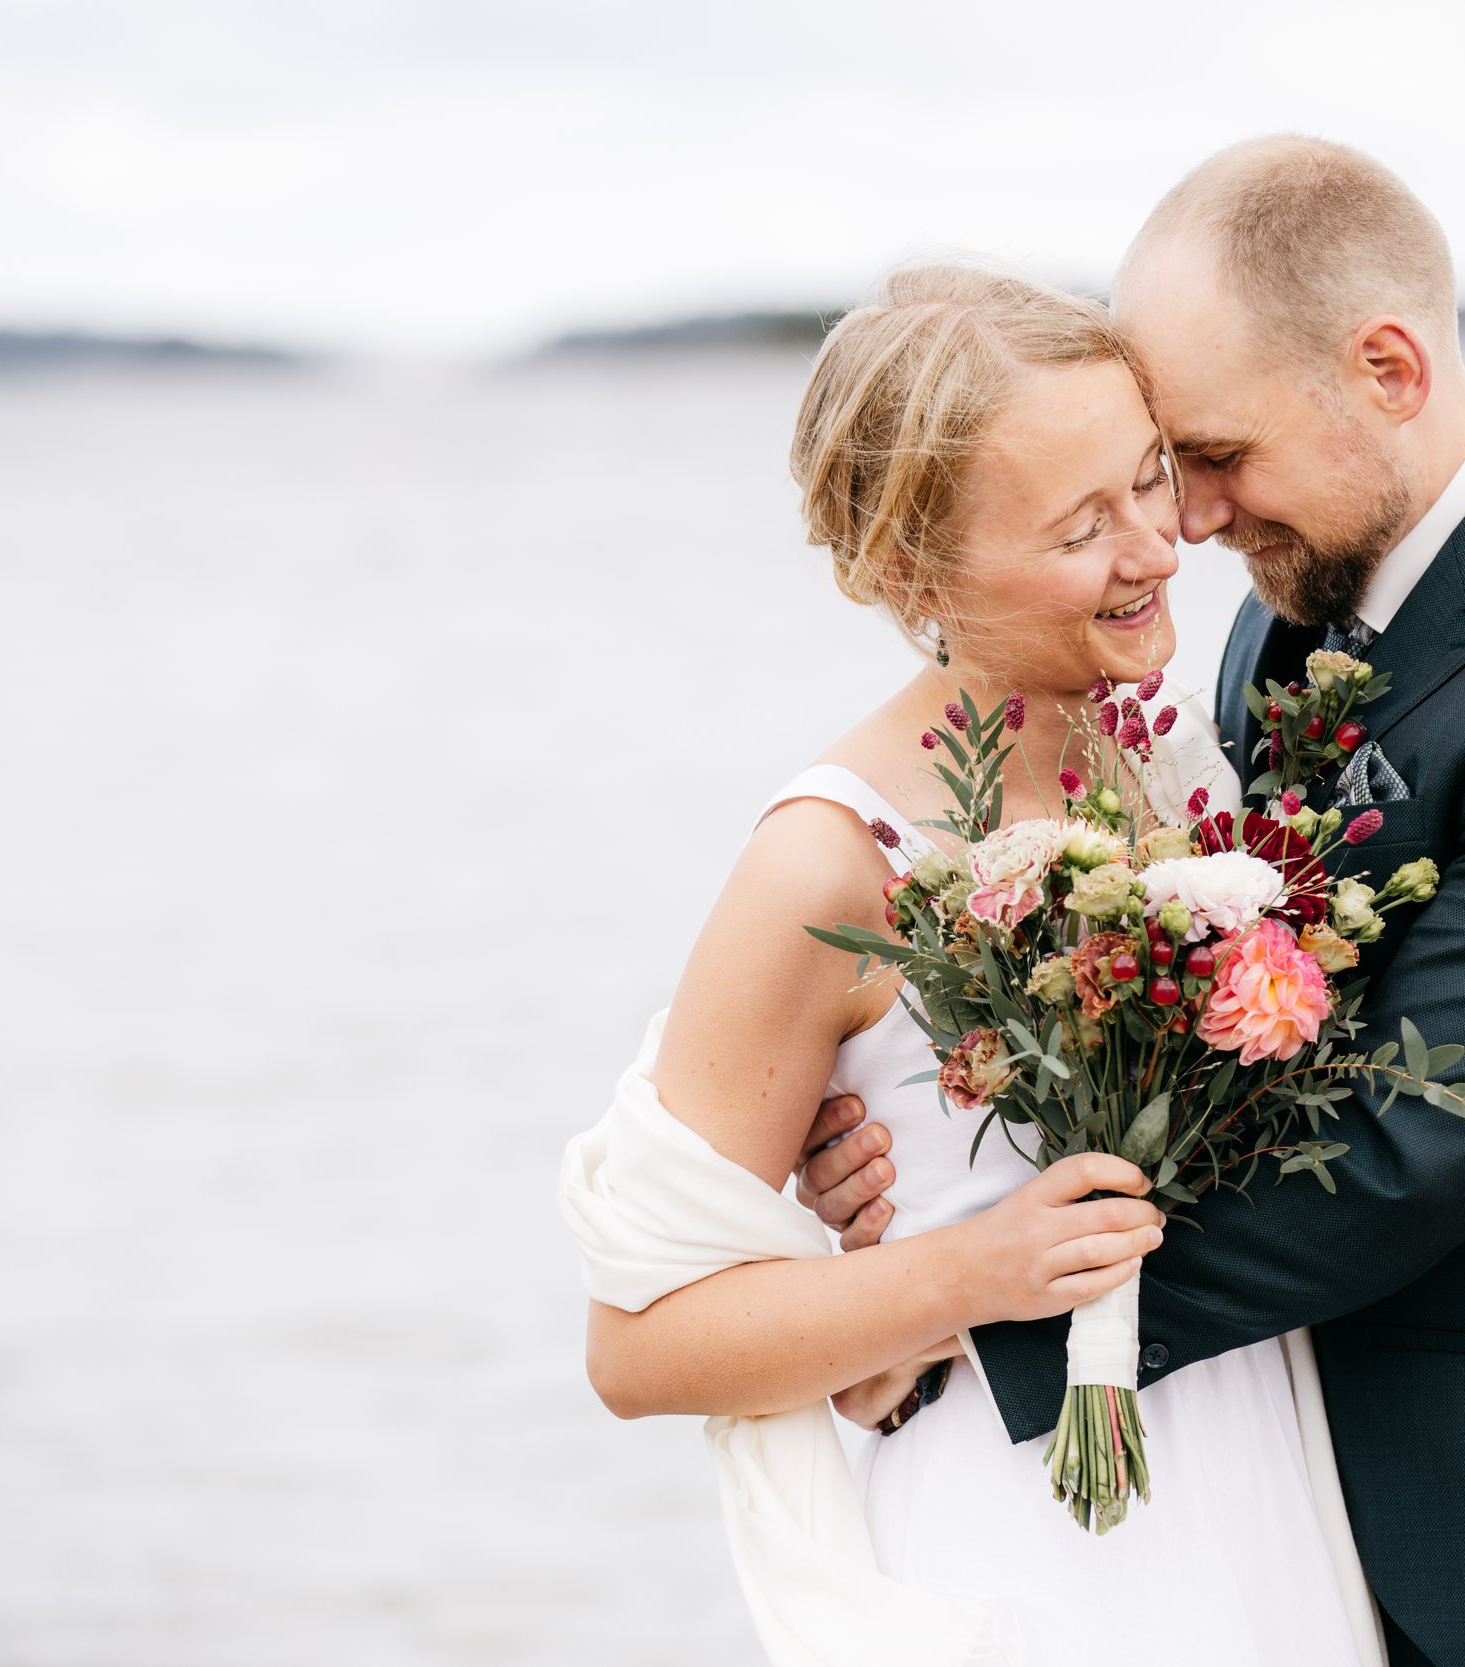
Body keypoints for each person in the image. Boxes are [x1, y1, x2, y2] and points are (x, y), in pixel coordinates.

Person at [805, 137, 1465, 1667]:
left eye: (1218, 456)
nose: (1201, 520)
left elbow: (1397, 1148)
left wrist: (941, 1317)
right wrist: (927, 1131)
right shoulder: (1276, 636)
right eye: (1173, 465)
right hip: (1311, 1541)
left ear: (1386, 367)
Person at [566, 263, 1379, 1666]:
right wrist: (967, 1276)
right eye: (1082, 526)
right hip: (1031, 1536)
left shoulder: (1174, 758)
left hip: (1256, 1486)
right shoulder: (830, 860)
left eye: (1150, 480)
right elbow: (640, 1347)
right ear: (908, 571)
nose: (1156, 549)